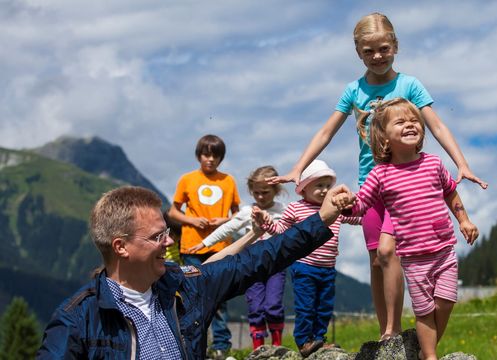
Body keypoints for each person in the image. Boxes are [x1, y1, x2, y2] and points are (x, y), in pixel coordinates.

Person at [267, 12, 486, 340]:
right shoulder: (354, 90)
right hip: (373, 183)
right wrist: (299, 167)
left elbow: (436, 125)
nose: (378, 56)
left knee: (390, 252)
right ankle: (390, 330)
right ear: (358, 53)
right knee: (376, 259)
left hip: (405, 185)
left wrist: (462, 163)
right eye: (369, 51)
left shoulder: (409, 85)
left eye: (384, 48)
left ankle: (402, 330)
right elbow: (327, 131)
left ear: (395, 46)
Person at [37, 185, 348, 359]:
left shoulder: (186, 287)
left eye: (166, 232)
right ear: (121, 247)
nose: (169, 242)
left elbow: (261, 258)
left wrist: (320, 220)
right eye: (157, 236)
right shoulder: (77, 319)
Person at [332, 98, 479, 360]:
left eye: (414, 121)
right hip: (414, 259)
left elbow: (451, 193)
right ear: (384, 138)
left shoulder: (433, 163)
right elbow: (361, 206)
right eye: (400, 122)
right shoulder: (381, 174)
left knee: (445, 303)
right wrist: (345, 204)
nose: (410, 124)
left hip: (444, 250)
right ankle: (430, 355)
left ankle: (424, 352)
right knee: (424, 311)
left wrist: (464, 220)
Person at [261, 160, 360, 357]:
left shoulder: (334, 208)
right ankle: (304, 340)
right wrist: (266, 224)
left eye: (327, 186)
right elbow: (280, 231)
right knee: (306, 306)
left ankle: (319, 339)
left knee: (324, 307)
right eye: (318, 186)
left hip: (328, 268)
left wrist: (366, 209)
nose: (324, 190)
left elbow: (358, 218)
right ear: (304, 189)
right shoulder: (295, 209)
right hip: (304, 266)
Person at [187, 165, 288, 349]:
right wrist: (205, 243)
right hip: (251, 266)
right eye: (256, 192)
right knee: (255, 307)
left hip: (276, 266)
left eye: (265, 192)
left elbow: (295, 233)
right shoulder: (248, 211)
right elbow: (228, 228)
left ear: (276, 190)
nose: (260, 197)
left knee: (273, 305)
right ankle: (259, 349)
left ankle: (276, 346)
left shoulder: (284, 210)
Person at [168, 134, 240, 356]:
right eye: (206, 154)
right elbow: (172, 212)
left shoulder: (228, 181)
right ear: (199, 155)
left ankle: (221, 345)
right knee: (191, 295)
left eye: (215, 155)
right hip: (191, 246)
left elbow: (238, 214)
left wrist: (224, 221)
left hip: (221, 246)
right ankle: (191, 343)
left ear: (221, 158)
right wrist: (191, 220)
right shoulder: (187, 179)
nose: (210, 159)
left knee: (220, 296)